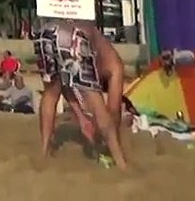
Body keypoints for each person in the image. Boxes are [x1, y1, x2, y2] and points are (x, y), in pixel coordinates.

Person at [33, 19, 128, 168]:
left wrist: (82, 118)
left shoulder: (102, 51)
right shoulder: (116, 66)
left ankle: (44, 152)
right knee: (99, 108)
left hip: (46, 33)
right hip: (77, 37)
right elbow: (114, 111)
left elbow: (66, 84)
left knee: (50, 94)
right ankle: (121, 163)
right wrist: (108, 141)